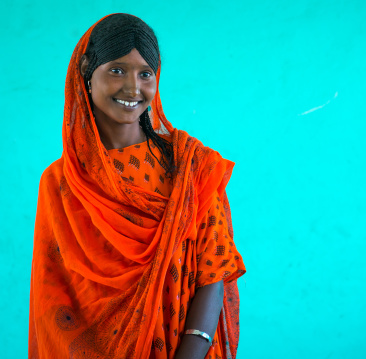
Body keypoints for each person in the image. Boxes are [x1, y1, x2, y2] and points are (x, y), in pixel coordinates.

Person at [29, 13, 246, 359]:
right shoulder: (62, 182)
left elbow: (213, 270)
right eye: (117, 70)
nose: (133, 88)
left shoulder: (191, 166)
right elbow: (54, 297)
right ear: (86, 70)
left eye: (145, 73)